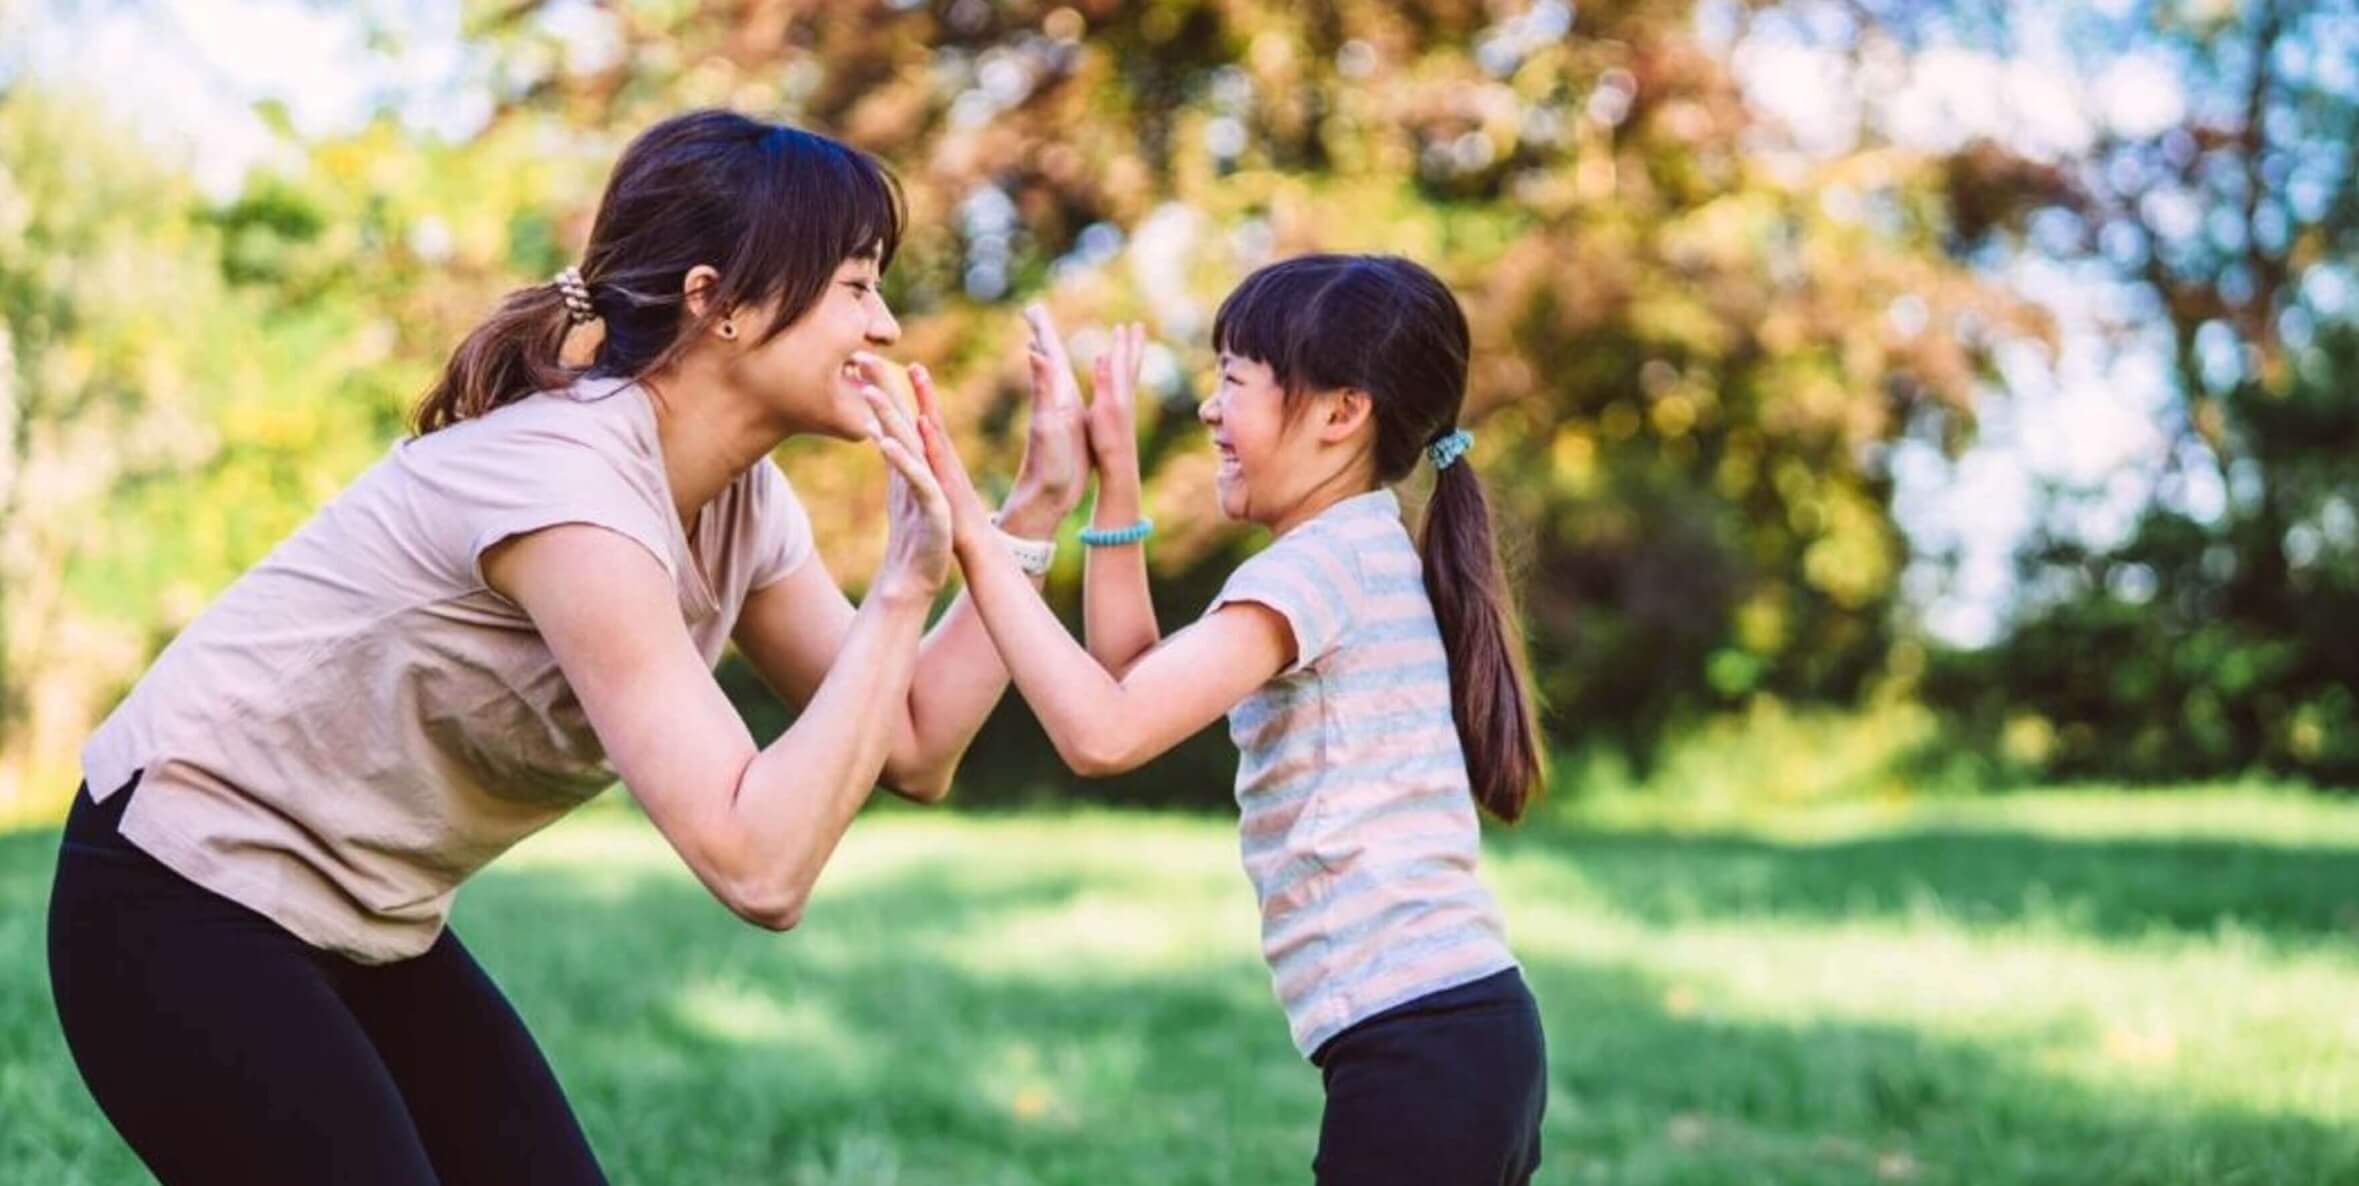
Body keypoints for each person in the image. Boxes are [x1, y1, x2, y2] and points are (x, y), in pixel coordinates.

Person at [45, 108, 1087, 1185]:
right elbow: (757, 866)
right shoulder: (570, 485)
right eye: (856, 287)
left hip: (367, 916)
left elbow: (912, 744)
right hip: (177, 890)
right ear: (718, 302)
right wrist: (905, 584)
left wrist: (1033, 511)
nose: (887, 329)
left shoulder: (743, 503)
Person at [919, 254, 1551, 1184]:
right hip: (1458, 1037)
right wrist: (1117, 480)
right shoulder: (1353, 550)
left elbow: (1102, 733)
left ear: (1340, 413)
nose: (1210, 409)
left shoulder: (1317, 569)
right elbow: (1131, 682)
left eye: (1235, 381)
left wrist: (977, 535)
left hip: (1418, 1049)